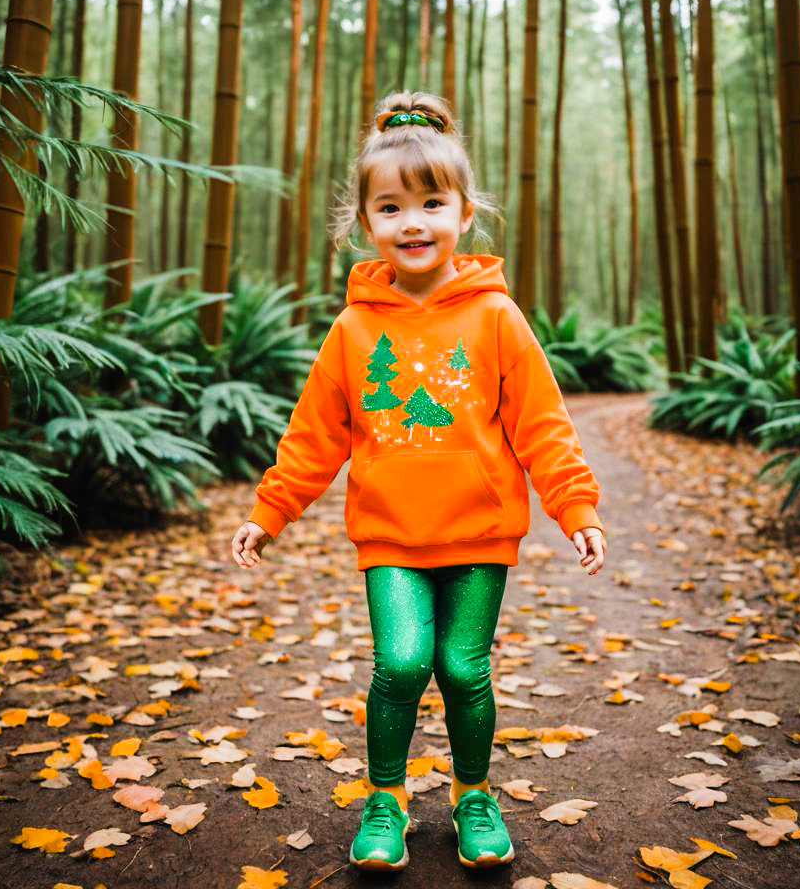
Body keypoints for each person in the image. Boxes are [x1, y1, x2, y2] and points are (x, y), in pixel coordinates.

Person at [230, 90, 606, 872]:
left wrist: (576, 507)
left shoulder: (497, 316)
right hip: (391, 533)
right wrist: (271, 510)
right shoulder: (353, 327)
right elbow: (314, 435)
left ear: (465, 213)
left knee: (464, 669)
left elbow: (542, 422)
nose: (413, 222)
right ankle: (386, 799)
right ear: (365, 223)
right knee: (402, 663)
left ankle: (474, 795)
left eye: (432, 203)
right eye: (392, 206)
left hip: (480, 532)